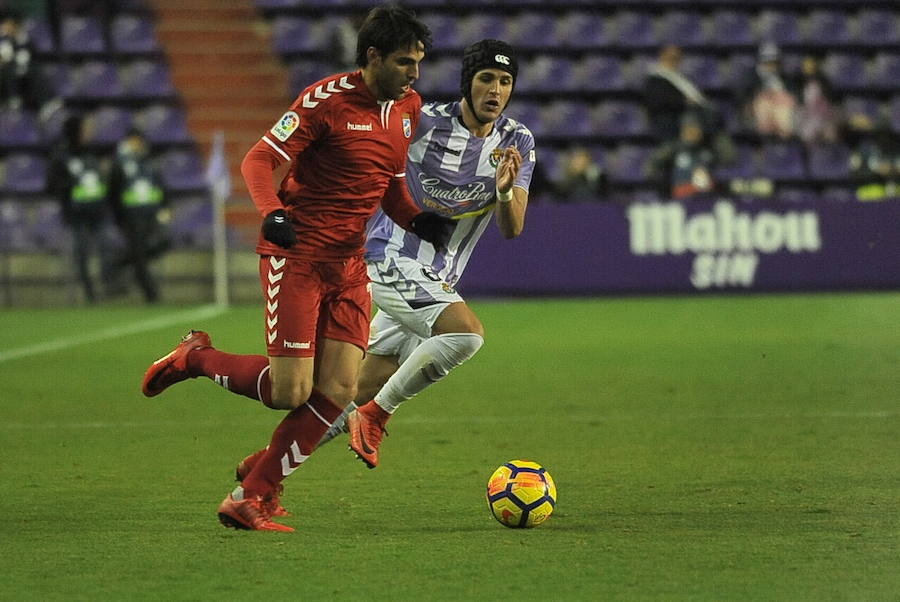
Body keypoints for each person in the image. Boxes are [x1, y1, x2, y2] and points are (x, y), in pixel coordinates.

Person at [140, 4, 452, 532]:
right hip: (299, 257)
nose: (414, 74)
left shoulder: (408, 108)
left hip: (351, 265)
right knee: (289, 392)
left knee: (337, 392)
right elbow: (257, 160)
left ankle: (253, 493)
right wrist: (272, 215)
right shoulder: (323, 101)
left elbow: (389, 185)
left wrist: (418, 219)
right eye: (404, 62)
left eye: (418, 63)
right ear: (372, 57)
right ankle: (196, 357)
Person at [311, 39, 535, 470]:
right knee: (465, 335)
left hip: (436, 277)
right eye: (486, 78)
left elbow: (513, 228)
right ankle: (375, 419)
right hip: (387, 257)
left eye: (505, 82)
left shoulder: (517, 140)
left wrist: (504, 190)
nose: (496, 90)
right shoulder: (422, 123)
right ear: (468, 82)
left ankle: (266, 468)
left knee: (353, 389)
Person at [48, 114, 115, 303]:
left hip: (97, 211)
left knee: (106, 246)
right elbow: (51, 185)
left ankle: (109, 285)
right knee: (82, 252)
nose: (89, 133)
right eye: (85, 129)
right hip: (76, 214)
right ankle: (89, 293)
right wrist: (71, 186)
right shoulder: (61, 156)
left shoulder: (91, 153)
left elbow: (100, 181)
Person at [108, 129, 169, 303]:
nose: (138, 144)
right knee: (140, 254)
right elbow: (114, 193)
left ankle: (122, 262)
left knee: (160, 244)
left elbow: (160, 186)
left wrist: (165, 206)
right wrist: (120, 218)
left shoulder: (149, 161)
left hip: (151, 214)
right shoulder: (120, 163)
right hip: (132, 217)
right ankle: (151, 294)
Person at [738, 42, 798, 140]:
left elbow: (792, 98)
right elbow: (744, 99)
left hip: (781, 114)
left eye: (773, 62)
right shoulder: (752, 79)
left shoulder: (784, 78)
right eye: (767, 62)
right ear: (761, 62)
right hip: (759, 115)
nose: (771, 66)